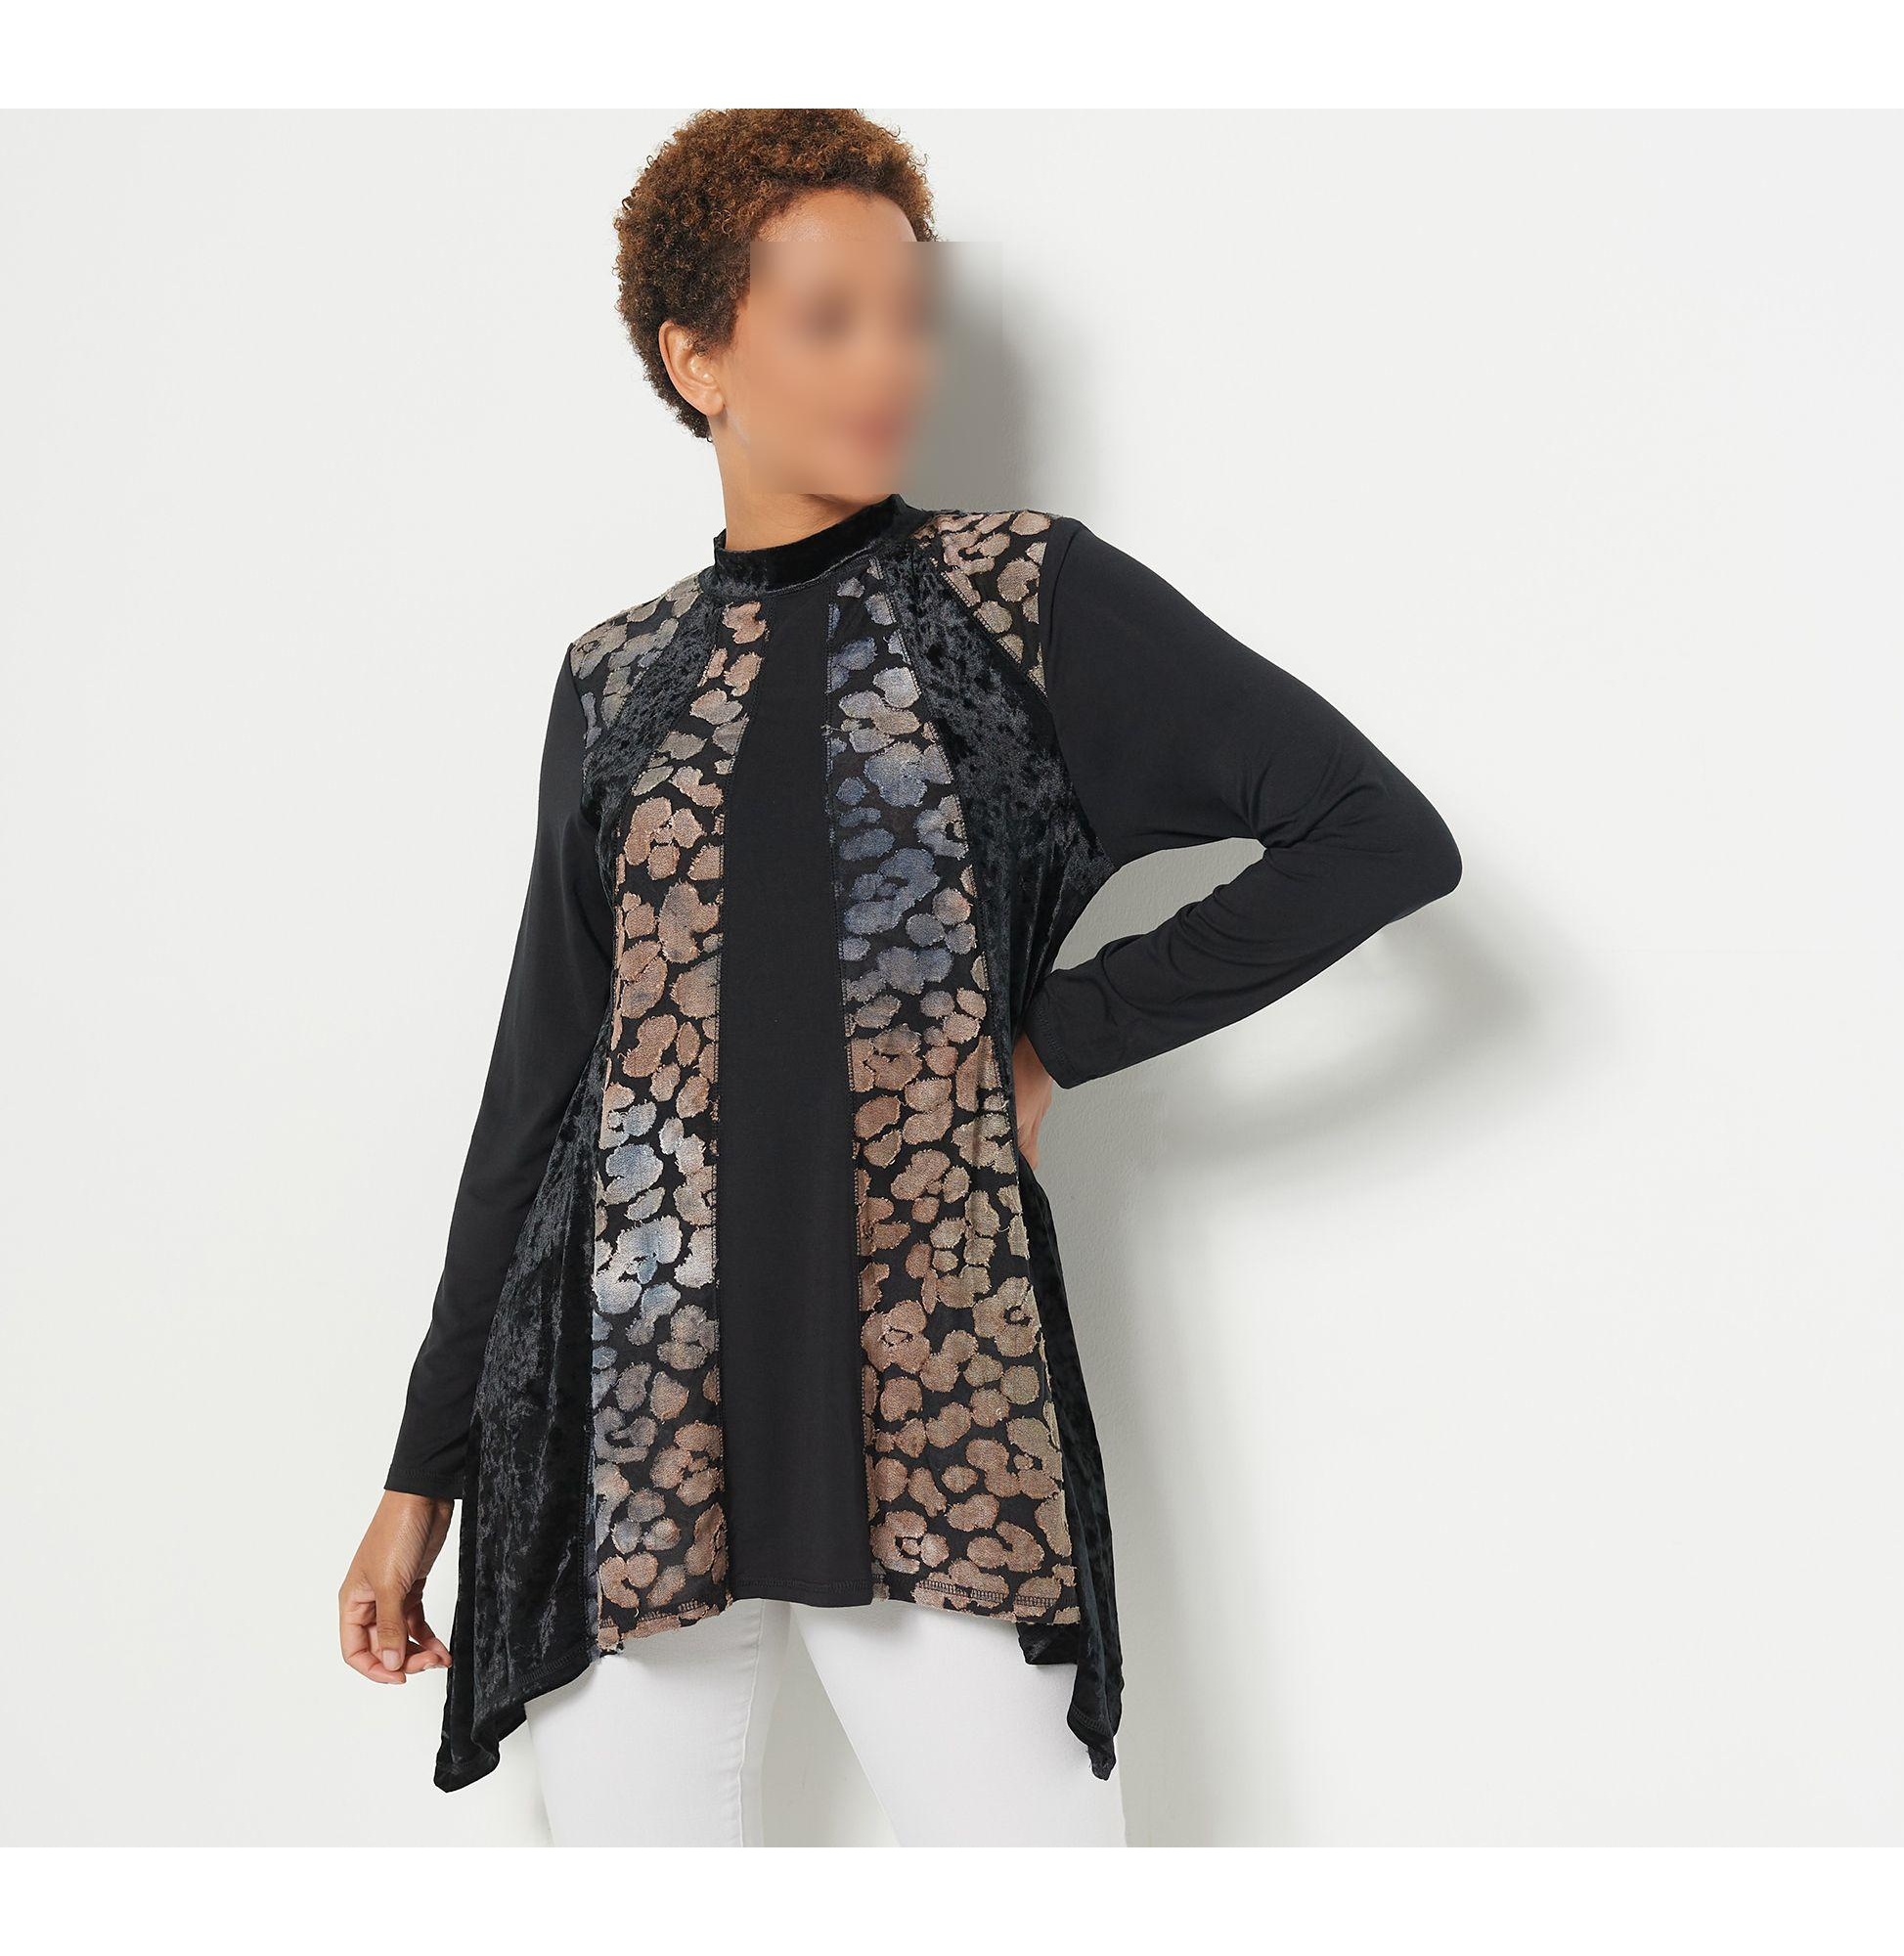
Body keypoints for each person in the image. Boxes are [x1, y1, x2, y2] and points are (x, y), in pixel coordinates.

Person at [337, 107, 1464, 1848]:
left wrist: (1059, 1037)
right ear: (699, 360)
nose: (892, 364)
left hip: (938, 1393)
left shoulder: (1021, 601)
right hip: (629, 1417)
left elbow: (1370, 834)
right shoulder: (615, 678)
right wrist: (425, 1475)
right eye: (829, 320)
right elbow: (539, 1083)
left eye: (911, 317)